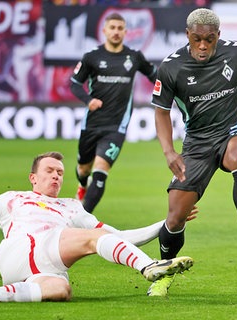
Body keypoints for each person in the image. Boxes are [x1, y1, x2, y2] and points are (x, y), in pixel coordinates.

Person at [0, 151, 194, 302]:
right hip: (19, 249)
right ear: (33, 177)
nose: (56, 177)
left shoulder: (72, 206)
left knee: (60, 291)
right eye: (49, 171)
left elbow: (119, 238)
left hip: (46, 269)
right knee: (94, 237)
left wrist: (168, 223)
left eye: (60, 173)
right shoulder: (12, 198)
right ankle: (148, 268)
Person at [149, 8, 237, 297]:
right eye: (197, 39)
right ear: (188, 35)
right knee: (176, 218)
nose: (203, 46)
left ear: (218, 36)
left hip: (234, 130)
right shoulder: (170, 68)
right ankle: (163, 272)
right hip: (197, 144)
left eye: (210, 40)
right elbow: (162, 112)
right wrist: (169, 152)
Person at [70, 13, 157, 213]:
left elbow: (156, 76)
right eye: (113, 28)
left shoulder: (134, 57)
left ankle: (81, 218)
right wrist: (88, 100)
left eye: (120, 28)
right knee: (83, 169)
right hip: (91, 123)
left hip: (116, 126)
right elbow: (74, 83)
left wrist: (172, 89)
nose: (116, 32)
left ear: (126, 32)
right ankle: (82, 185)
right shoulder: (91, 57)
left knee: (101, 170)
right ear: (105, 31)